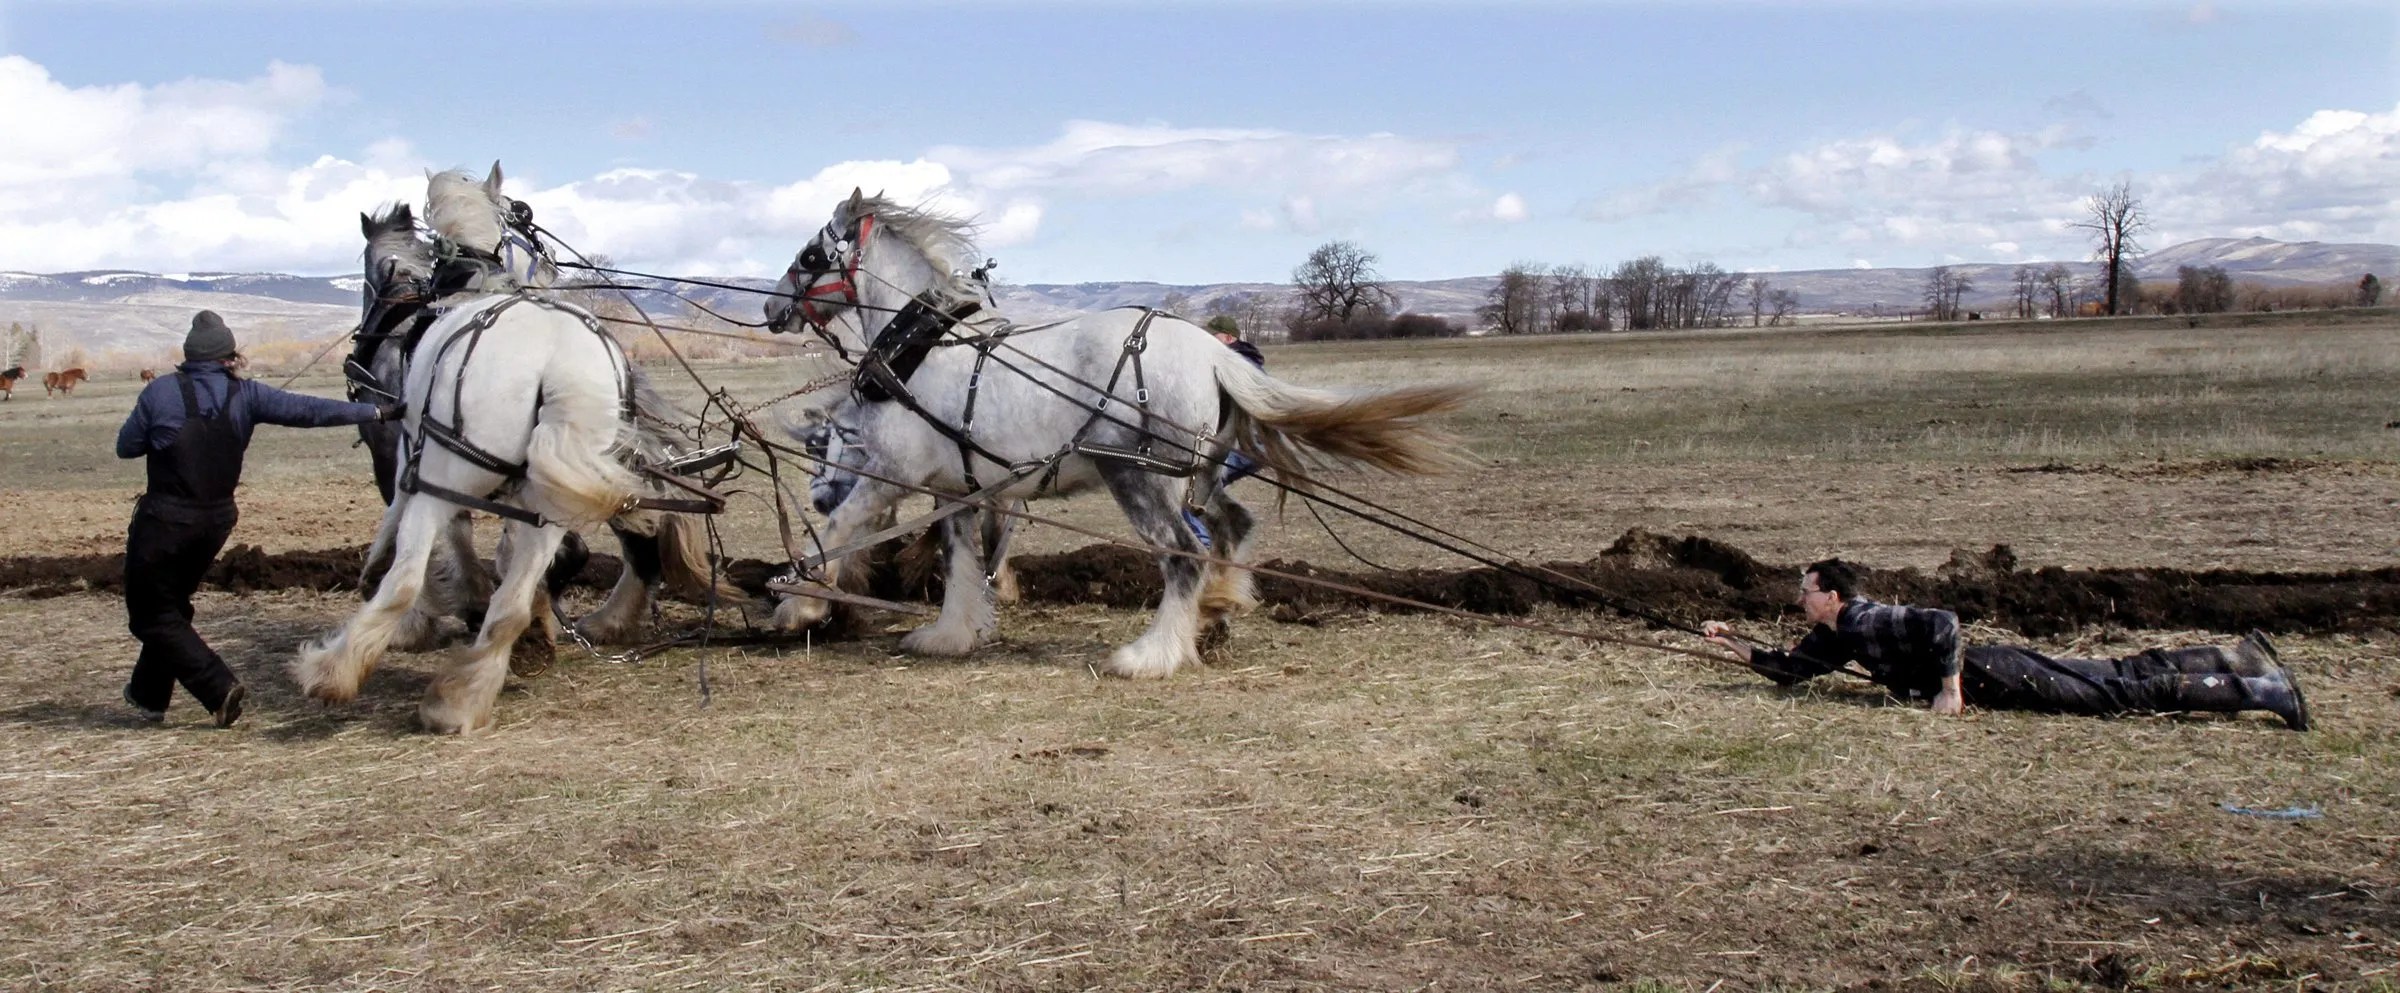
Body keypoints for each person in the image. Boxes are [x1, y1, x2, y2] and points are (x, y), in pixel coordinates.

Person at [116, 311, 403, 727]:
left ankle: (218, 687)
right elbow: (308, 411)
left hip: (164, 522)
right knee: (171, 607)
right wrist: (376, 413)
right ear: (229, 356)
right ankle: (149, 694)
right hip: (216, 523)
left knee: (149, 615)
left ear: (189, 356)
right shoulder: (247, 395)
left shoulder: (160, 392)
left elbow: (126, 447)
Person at [1699, 558, 2310, 730]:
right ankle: (2239, 657)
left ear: (1831, 594)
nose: (1799, 597)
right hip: (1996, 671)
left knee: (2122, 693)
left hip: (1999, 674)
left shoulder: (1866, 619)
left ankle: (2259, 691)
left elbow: (1943, 623)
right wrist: (1728, 641)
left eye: (1806, 590)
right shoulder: (1835, 635)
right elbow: (1791, 671)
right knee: (2120, 668)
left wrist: (1949, 693)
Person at [1185, 317, 1266, 547]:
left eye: (1213, 337)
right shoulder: (1241, 361)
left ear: (1229, 338)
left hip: (1249, 447)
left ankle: (1204, 546)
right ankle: (1230, 530)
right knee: (1204, 490)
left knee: (1190, 490)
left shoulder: (1239, 365)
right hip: (1249, 446)